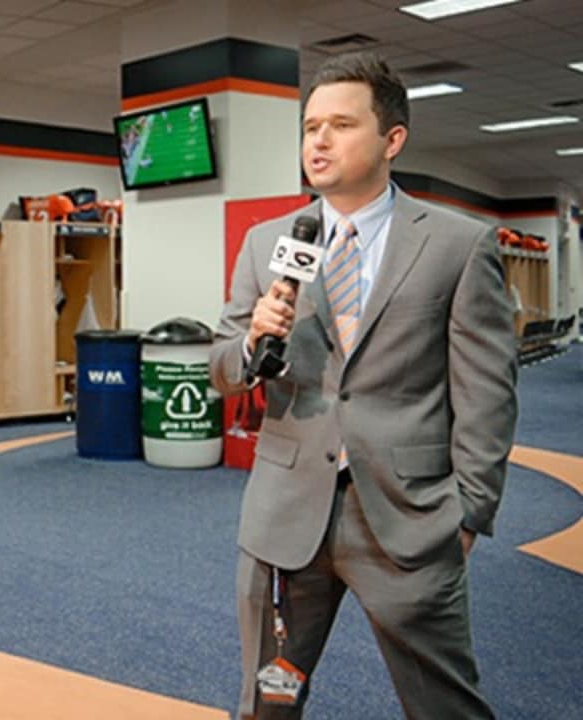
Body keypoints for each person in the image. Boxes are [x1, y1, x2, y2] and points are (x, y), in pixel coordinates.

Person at [209, 51, 517, 719]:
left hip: (408, 521)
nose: (318, 141)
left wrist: (468, 513)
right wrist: (251, 338)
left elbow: (487, 394)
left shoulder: (458, 246)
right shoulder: (269, 245)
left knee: (446, 706)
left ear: (392, 140)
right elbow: (221, 371)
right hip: (285, 522)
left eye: (341, 125)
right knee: (267, 703)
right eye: (310, 126)